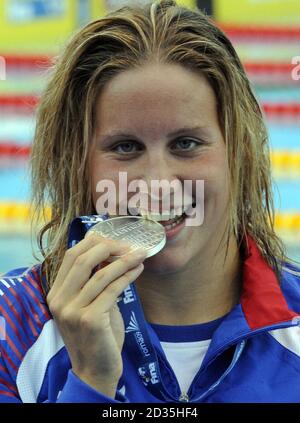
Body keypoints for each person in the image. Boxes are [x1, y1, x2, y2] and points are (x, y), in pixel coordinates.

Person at [0, 0, 300, 403]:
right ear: (78, 163)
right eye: (125, 147)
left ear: (238, 153)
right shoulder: (12, 328)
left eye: (187, 143)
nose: (157, 181)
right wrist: (89, 380)